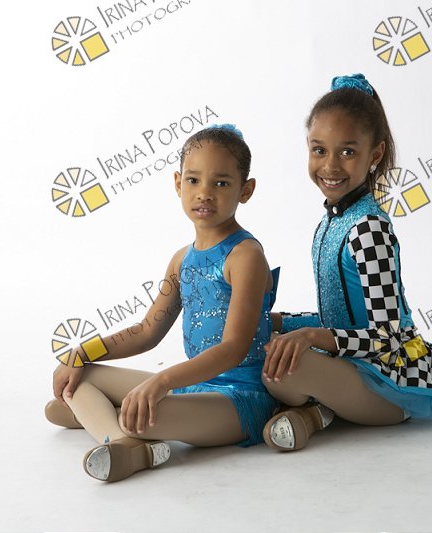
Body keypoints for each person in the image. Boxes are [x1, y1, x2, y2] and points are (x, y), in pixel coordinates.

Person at [45, 124, 279, 481]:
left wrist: (162, 382)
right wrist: (81, 352)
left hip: (240, 398)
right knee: (80, 375)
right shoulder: (181, 260)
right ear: (177, 183)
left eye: (221, 183)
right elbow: (146, 332)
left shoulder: (245, 255)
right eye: (194, 180)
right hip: (192, 388)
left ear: (245, 190)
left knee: (136, 414)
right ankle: (124, 441)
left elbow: (233, 349)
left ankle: (110, 428)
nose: (205, 193)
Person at [261, 73, 432, 452]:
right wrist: (281, 322)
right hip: (350, 362)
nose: (330, 166)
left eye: (347, 152)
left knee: (284, 368)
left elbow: (388, 336)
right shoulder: (331, 221)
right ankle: (320, 413)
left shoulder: (369, 229)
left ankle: (319, 409)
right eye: (319, 150)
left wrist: (310, 337)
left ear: (375, 155)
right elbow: (337, 317)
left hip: (390, 379)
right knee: (268, 343)